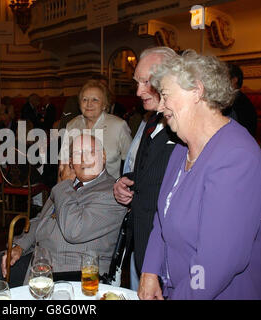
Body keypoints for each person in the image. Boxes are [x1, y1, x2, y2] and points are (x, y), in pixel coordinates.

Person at [139, 50, 261, 300]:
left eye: (165, 95)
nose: (161, 106)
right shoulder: (181, 148)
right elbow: (160, 219)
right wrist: (150, 271)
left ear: (197, 90)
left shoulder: (237, 157)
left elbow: (215, 265)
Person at [0, 134, 126, 287]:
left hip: (74, 274)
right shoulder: (69, 185)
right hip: (40, 260)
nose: (84, 159)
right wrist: (19, 247)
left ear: (104, 156)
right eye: (77, 154)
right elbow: (42, 218)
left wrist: (64, 184)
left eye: (90, 152)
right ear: (71, 162)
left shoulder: (113, 192)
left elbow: (74, 230)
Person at [113, 47, 178, 291]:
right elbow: (150, 171)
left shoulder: (187, 126)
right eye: (137, 83)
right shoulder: (151, 119)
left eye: (146, 82)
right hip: (141, 239)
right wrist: (124, 182)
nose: (138, 91)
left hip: (168, 250)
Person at [60, 80, 132, 179]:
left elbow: (131, 161)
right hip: (76, 190)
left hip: (109, 190)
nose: (89, 104)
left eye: (95, 100)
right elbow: (63, 163)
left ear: (104, 105)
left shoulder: (118, 126)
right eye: (85, 99)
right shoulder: (72, 125)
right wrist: (59, 191)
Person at [223, 64, 258, 137]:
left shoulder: (233, 100)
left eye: (224, 77)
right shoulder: (239, 98)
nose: (221, 81)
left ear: (234, 80)